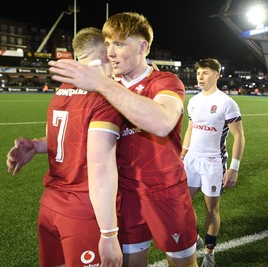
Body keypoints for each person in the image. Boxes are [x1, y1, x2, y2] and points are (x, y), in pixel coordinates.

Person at [48, 12, 199, 267]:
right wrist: (39, 144)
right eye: (107, 44)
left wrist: (104, 86)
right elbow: (83, 135)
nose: (110, 53)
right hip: (125, 195)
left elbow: (162, 122)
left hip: (166, 192)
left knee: (183, 264)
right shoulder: (106, 84)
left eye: (118, 44)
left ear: (143, 46)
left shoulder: (164, 82)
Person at [6, 27, 123, 267]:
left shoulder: (65, 88)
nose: (114, 52)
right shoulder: (104, 93)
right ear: (103, 50)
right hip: (83, 209)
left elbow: (64, 136)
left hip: (50, 206)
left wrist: (37, 145)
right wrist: (109, 234)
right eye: (111, 46)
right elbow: (100, 168)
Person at [181, 58, 245, 267]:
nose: (200, 76)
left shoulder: (227, 102)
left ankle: (209, 252)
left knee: (211, 210)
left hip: (213, 163)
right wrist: (182, 155)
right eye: (199, 72)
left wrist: (234, 168)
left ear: (216, 75)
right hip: (191, 161)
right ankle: (194, 238)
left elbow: (239, 137)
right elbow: (191, 129)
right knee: (181, 205)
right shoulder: (193, 100)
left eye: (206, 72)